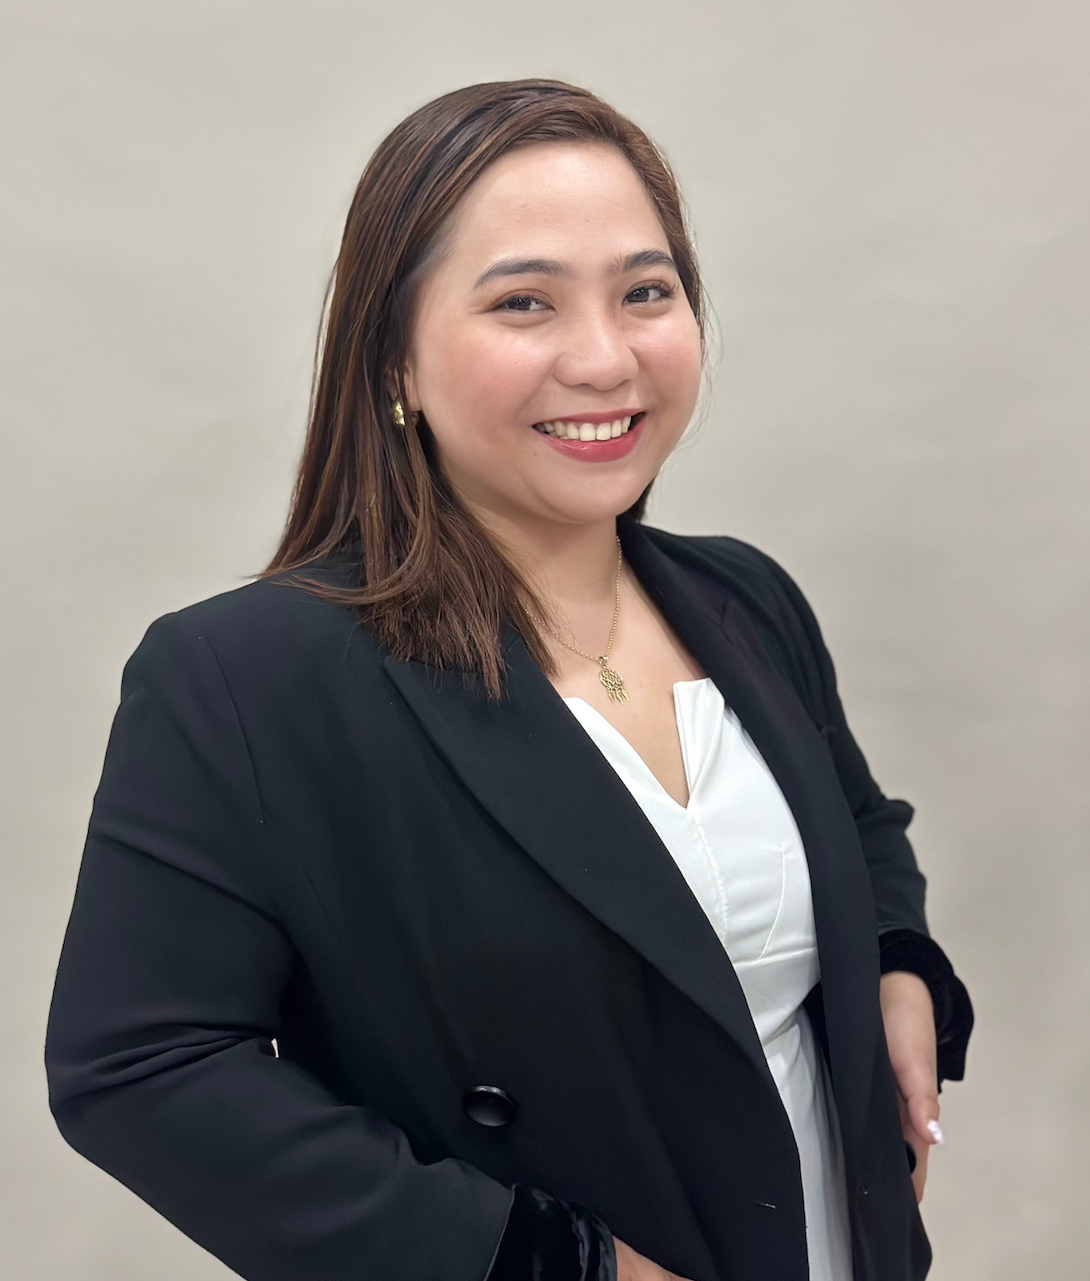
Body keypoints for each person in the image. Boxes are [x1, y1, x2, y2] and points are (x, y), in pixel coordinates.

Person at [45, 79, 972, 1281]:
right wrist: (555, 1268)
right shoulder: (245, 674)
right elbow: (140, 1068)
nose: (603, 356)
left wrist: (899, 965)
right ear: (396, 362)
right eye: (524, 303)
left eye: (645, 292)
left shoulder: (747, 601)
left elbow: (858, 829)